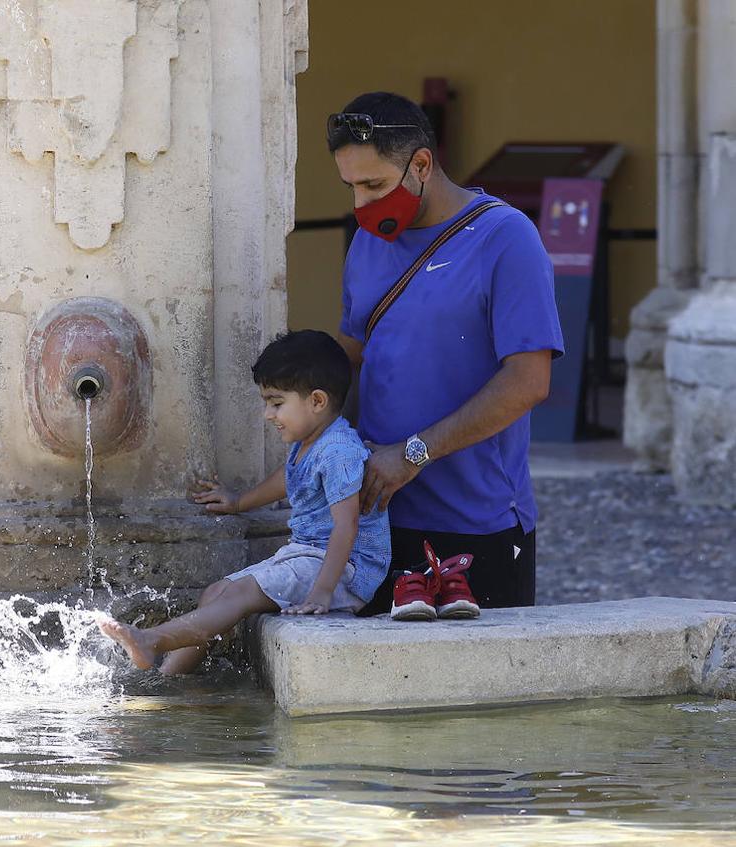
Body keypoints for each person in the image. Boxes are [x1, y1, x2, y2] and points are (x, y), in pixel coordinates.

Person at [327, 92, 562, 616]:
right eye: (351, 188)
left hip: (477, 524)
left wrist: (412, 454)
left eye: (374, 185)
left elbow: (528, 381)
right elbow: (356, 351)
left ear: (422, 165)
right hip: (375, 519)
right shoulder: (368, 241)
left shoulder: (507, 238)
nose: (362, 205)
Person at [99, 330, 390, 673]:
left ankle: (151, 640)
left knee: (240, 595)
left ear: (317, 401)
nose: (268, 414)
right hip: (307, 556)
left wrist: (321, 593)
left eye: (276, 403)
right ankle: (168, 679)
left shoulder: (339, 449)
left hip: (345, 571)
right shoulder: (311, 441)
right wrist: (239, 502)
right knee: (217, 592)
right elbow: (289, 478)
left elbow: (347, 525)